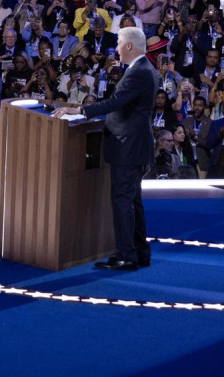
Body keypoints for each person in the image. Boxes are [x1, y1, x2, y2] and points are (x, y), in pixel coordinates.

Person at [54, 27, 157, 271]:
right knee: (133, 201)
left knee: (123, 201)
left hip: (127, 145)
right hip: (134, 144)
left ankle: (126, 255)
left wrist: (78, 110)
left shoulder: (138, 72)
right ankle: (139, 251)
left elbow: (115, 102)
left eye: (119, 44)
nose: (116, 49)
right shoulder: (146, 69)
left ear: (129, 46)